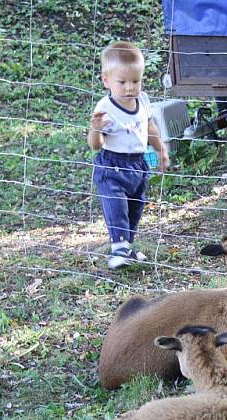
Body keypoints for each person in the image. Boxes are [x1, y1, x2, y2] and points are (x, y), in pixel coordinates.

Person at [88, 41, 170, 269]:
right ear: (106, 80)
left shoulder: (142, 100)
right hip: (112, 166)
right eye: (122, 82)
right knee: (117, 207)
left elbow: (150, 127)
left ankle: (127, 247)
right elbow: (95, 145)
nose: (130, 88)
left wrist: (161, 150)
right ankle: (118, 249)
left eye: (136, 81)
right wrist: (95, 128)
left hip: (138, 165)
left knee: (135, 207)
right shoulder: (105, 107)